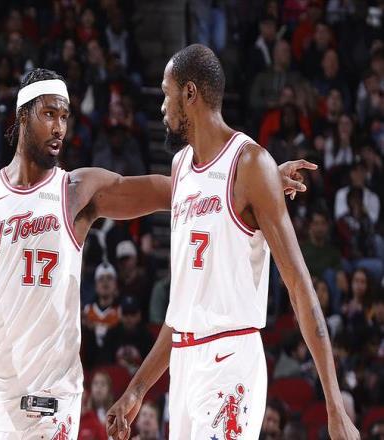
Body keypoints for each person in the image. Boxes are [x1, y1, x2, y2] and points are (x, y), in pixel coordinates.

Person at [0, 67, 313, 439]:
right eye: (49, 114)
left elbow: (174, 189)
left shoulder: (75, 192)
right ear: (23, 116)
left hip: (54, 400)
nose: (59, 127)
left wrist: (260, 183)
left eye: (65, 117)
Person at [106, 44, 358, 440]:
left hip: (230, 360)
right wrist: (136, 389)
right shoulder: (181, 167)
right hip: (184, 366)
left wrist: (335, 405)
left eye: (166, 93)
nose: (162, 107)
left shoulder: (251, 164)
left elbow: (299, 286)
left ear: (190, 93)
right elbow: (185, 309)